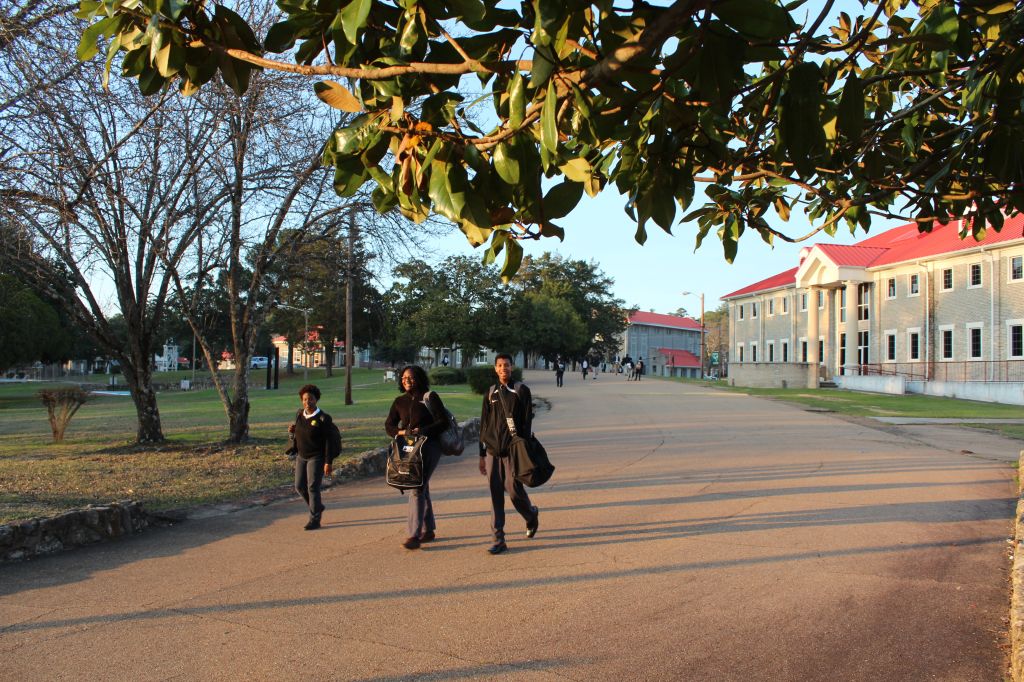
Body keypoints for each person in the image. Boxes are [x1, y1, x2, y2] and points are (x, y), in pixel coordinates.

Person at [478, 353, 540, 555]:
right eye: (499, 365)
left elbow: (526, 423)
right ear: (495, 369)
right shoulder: (490, 393)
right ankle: (498, 538)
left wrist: (524, 449)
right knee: (495, 494)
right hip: (492, 452)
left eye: (506, 365)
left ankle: (531, 515)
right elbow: (484, 424)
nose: (503, 368)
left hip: (513, 451)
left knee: (514, 491)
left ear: (512, 367)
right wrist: (481, 454)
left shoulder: (521, 390)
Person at [385, 365, 448, 550]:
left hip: (430, 446)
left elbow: (443, 422)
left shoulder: (429, 397)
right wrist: (401, 431)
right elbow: (389, 425)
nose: (407, 381)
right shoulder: (399, 401)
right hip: (408, 448)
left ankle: (413, 534)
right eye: (404, 378)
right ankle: (428, 530)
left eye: (411, 378)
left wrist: (423, 431)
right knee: (421, 486)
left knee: (416, 486)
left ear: (419, 378)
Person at [287, 384, 341, 531]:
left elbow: (329, 441)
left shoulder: (323, 418)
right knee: (299, 486)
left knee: (312, 487)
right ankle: (317, 506)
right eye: (304, 399)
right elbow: (297, 435)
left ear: (316, 399)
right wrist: (291, 432)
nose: (307, 402)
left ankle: (315, 519)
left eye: (310, 399)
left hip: (316, 457)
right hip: (301, 456)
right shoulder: (299, 414)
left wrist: (328, 462)